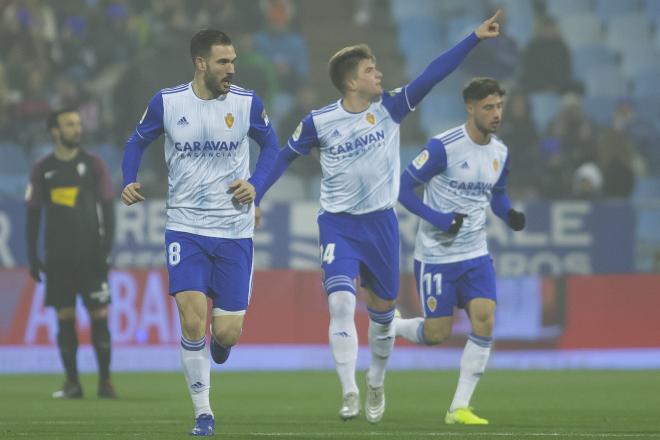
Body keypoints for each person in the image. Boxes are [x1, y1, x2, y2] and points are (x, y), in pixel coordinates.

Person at [256, 12, 503, 424]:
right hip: (337, 224)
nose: (380, 74)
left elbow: (434, 73)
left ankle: (375, 380)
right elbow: (283, 156)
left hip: (381, 226)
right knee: (340, 304)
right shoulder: (319, 122)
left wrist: (473, 38)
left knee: (383, 315)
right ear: (352, 81)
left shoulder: (390, 108)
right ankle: (349, 390)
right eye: (371, 70)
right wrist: (256, 196)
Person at [120, 29, 278, 436]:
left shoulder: (246, 103)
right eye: (224, 61)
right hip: (185, 228)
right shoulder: (168, 102)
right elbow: (135, 142)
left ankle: (223, 343)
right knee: (192, 322)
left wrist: (256, 183)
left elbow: (273, 148)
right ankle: (203, 414)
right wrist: (128, 179)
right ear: (200, 63)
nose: (232, 69)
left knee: (225, 332)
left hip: (234, 230)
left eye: (234, 61)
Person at [394, 78, 526, 425]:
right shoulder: (444, 147)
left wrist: (508, 213)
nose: (496, 114)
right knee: (436, 335)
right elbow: (404, 189)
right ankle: (393, 327)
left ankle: (459, 408)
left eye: (499, 106)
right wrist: (437, 218)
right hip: (437, 255)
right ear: (470, 108)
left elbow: (496, 195)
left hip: (475, 253)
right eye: (488, 107)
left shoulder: (500, 152)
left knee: (485, 320)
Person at [25, 107, 116, 399]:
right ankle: (72, 383)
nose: (77, 129)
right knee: (64, 318)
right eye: (70, 124)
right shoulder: (43, 168)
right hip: (58, 259)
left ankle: (105, 383)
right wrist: (32, 257)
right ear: (55, 131)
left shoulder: (94, 164)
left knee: (99, 316)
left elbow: (108, 208)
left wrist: (106, 249)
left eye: (78, 124)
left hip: (91, 256)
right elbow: (33, 215)